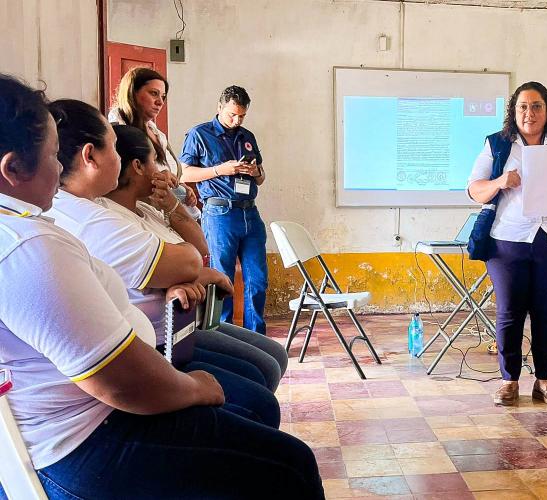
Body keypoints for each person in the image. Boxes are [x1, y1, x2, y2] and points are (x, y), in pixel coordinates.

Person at [0, 74, 323, 499]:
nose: (60, 170)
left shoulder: (36, 226)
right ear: (12, 169)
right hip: (90, 435)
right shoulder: (29, 247)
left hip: (95, 411)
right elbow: (122, 383)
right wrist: (196, 388)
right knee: (291, 465)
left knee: (259, 393)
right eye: (53, 156)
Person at [46, 99, 287, 392]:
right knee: (258, 386)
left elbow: (198, 251)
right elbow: (192, 259)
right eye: (155, 163)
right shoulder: (97, 219)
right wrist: (190, 273)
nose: (164, 172)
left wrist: (175, 208)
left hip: (178, 323)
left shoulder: (146, 207)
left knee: (269, 349)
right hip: (160, 336)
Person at [467, 81, 547, 406]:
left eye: (536, 106)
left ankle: (544, 381)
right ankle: (509, 381)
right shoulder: (497, 145)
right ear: (513, 111)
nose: (529, 113)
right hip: (508, 239)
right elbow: (474, 190)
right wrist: (499, 182)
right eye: (523, 106)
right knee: (509, 313)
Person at [180, 86, 268, 334]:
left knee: (257, 279)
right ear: (219, 108)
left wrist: (256, 172)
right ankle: (224, 335)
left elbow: (261, 178)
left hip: (249, 212)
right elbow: (185, 173)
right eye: (231, 114)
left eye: (241, 116)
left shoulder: (247, 136)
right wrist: (220, 169)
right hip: (220, 213)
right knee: (222, 279)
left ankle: (255, 337)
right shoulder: (199, 134)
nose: (236, 120)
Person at [108, 67, 200, 218]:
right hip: (138, 215)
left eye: (163, 96)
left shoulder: (157, 133)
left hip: (167, 214)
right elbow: (121, 182)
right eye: (153, 93)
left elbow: (169, 171)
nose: (160, 102)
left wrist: (180, 188)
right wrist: (158, 177)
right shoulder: (117, 132)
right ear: (133, 93)